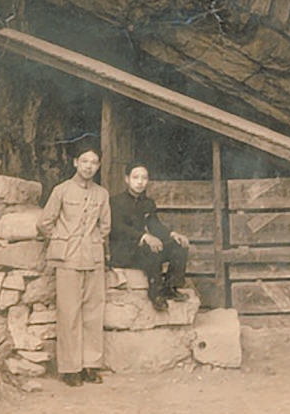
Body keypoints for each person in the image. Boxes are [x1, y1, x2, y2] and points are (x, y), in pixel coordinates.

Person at [39, 141, 111, 387]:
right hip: (67, 259)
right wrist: (62, 240)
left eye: (94, 162)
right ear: (75, 163)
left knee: (93, 312)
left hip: (93, 257)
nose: (89, 166)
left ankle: (91, 365)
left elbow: (105, 226)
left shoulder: (102, 194)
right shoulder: (61, 190)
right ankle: (70, 368)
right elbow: (45, 222)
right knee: (69, 313)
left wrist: (93, 243)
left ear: (98, 166)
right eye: (85, 161)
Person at [109, 162, 190, 312]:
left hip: (141, 250)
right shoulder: (115, 201)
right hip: (123, 252)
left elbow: (155, 225)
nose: (140, 182)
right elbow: (119, 228)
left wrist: (172, 235)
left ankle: (170, 287)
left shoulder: (148, 203)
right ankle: (156, 294)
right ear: (127, 179)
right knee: (151, 248)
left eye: (144, 178)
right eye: (135, 177)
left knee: (179, 246)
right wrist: (144, 236)